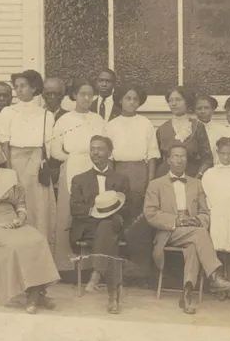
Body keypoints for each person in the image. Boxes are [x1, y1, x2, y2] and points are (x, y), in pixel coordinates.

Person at [144, 143, 230, 315]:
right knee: (199, 234)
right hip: (169, 231)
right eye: (175, 156)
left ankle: (186, 295)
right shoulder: (156, 184)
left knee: (194, 244)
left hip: (192, 230)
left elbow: (205, 211)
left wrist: (197, 220)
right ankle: (214, 276)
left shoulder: (196, 183)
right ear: (167, 160)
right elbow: (150, 214)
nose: (180, 160)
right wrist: (177, 221)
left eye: (183, 157)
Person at [0, 140, 61, 314]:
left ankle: (37, 293)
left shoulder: (10, 174)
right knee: (17, 244)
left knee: (37, 238)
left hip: (13, 219)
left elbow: (20, 203)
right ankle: (34, 295)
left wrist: (21, 217)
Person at [50, 79, 108, 271]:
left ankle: (90, 265)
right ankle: (66, 265)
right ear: (74, 95)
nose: (86, 98)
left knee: (93, 211)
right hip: (71, 166)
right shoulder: (64, 120)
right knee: (69, 213)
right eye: (82, 94)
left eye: (90, 95)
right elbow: (54, 150)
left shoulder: (98, 120)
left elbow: (106, 145)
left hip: (94, 166)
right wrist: (70, 158)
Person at [69, 135, 131, 313]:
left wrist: (112, 211)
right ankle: (113, 295)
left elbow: (127, 208)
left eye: (100, 149)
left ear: (110, 153)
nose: (95, 152)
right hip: (88, 227)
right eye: (92, 148)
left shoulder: (121, 179)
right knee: (108, 235)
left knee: (108, 227)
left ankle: (96, 275)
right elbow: (75, 208)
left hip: (113, 225)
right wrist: (97, 212)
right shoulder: (79, 179)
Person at [0, 71, 54, 247]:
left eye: (23, 86)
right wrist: (8, 171)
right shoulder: (8, 112)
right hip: (15, 162)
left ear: (33, 88)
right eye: (17, 87)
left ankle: (40, 253)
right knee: (18, 205)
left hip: (36, 163)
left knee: (38, 208)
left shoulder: (45, 114)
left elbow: (47, 146)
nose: (19, 90)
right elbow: (4, 142)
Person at [201, 137, 230, 285]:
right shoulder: (210, 173)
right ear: (217, 153)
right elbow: (206, 195)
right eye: (222, 153)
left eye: (229, 154)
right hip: (216, 215)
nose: (226, 157)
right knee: (217, 250)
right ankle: (218, 283)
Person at [105, 85, 155, 222]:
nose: (132, 102)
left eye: (135, 99)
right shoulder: (112, 125)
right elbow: (108, 157)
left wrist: (150, 181)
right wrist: (110, 179)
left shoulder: (145, 123)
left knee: (137, 209)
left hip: (139, 172)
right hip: (119, 170)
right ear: (120, 100)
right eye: (128, 98)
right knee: (119, 208)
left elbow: (152, 155)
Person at [155, 86, 212, 178]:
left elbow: (207, 159)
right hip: (166, 176)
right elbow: (157, 159)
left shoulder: (198, 127)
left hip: (192, 176)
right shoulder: (162, 129)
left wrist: (199, 175)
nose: (173, 103)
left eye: (178, 99)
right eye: (170, 100)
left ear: (187, 102)